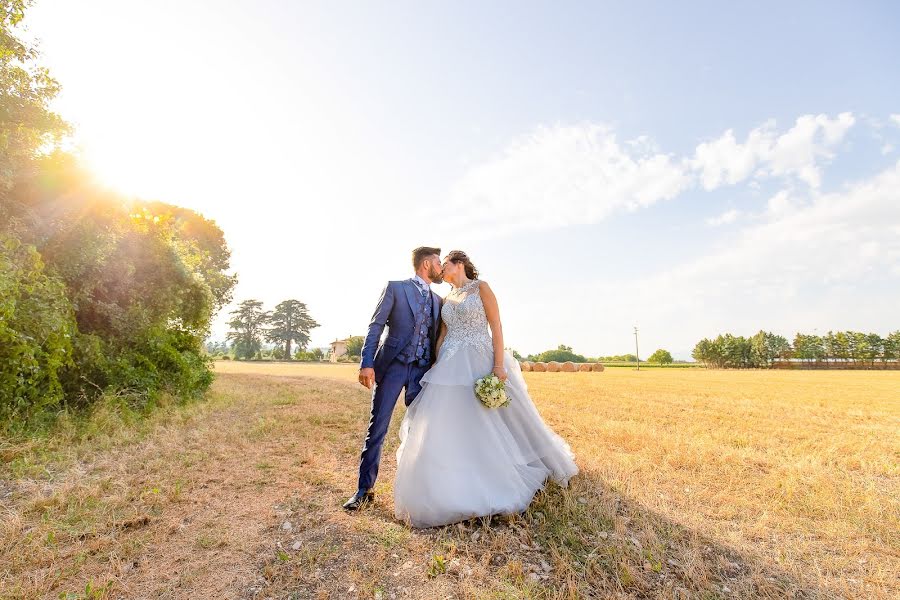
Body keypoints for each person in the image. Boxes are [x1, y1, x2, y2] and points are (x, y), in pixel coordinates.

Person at [393, 250, 578, 527]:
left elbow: (496, 326)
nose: (441, 270)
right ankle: (450, 478)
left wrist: (499, 366)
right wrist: (436, 362)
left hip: (480, 358)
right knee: (448, 422)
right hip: (449, 364)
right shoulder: (446, 298)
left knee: (494, 415)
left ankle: (514, 466)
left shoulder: (482, 288)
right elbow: (442, 335)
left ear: (459, 264)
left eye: (444, 265)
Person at [342, 247, 444, 511]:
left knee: (424, 432)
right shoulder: (395, 288)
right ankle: (364, 490)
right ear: (425, 264)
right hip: (393, 367)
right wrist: (366, 363)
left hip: (422, 372)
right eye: (438, 262)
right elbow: (375, 326)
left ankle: (423, 493)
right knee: (378, 428)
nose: (441, 266)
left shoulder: (438, 300)